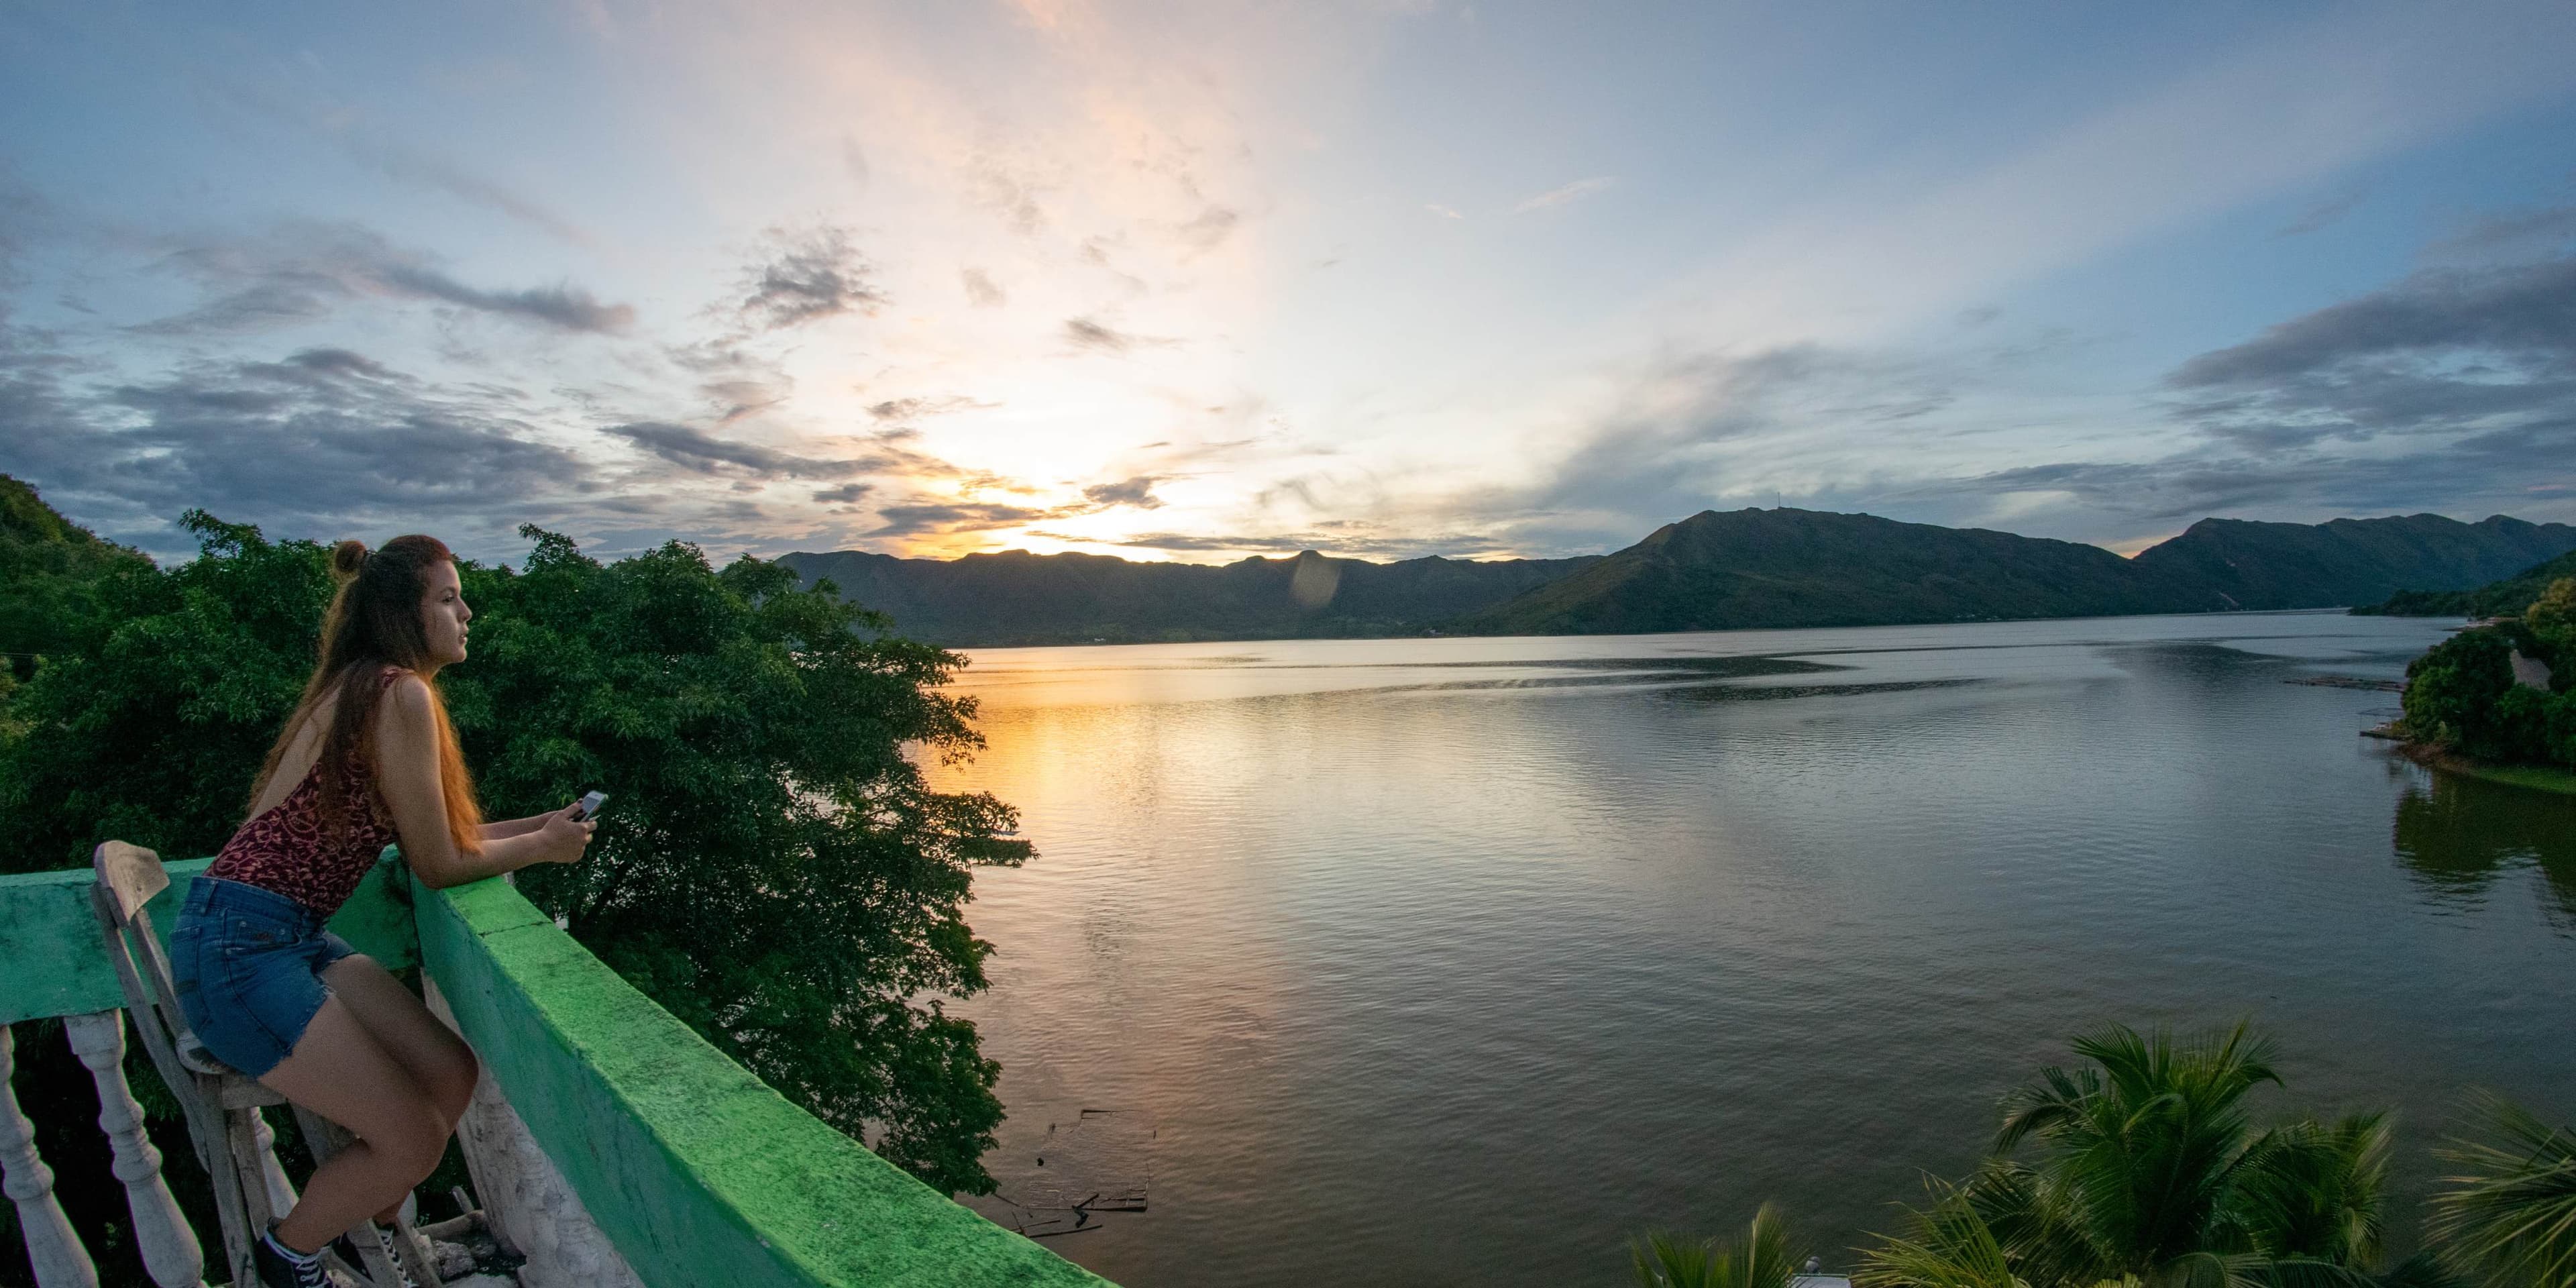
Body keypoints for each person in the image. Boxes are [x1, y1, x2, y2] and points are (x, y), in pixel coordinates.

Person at [168, 535, 594, 1288]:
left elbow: (438, 836)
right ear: (406, 613)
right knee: (411, 1140)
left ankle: (379, 1228)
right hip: (241, 950)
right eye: (448, 597)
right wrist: (541, 850)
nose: (468, 610)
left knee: (447, 1069)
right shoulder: (399, 694)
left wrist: (539, 827)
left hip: (282, 935)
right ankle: (289, 1259)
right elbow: (438, 867)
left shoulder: (370, 688)